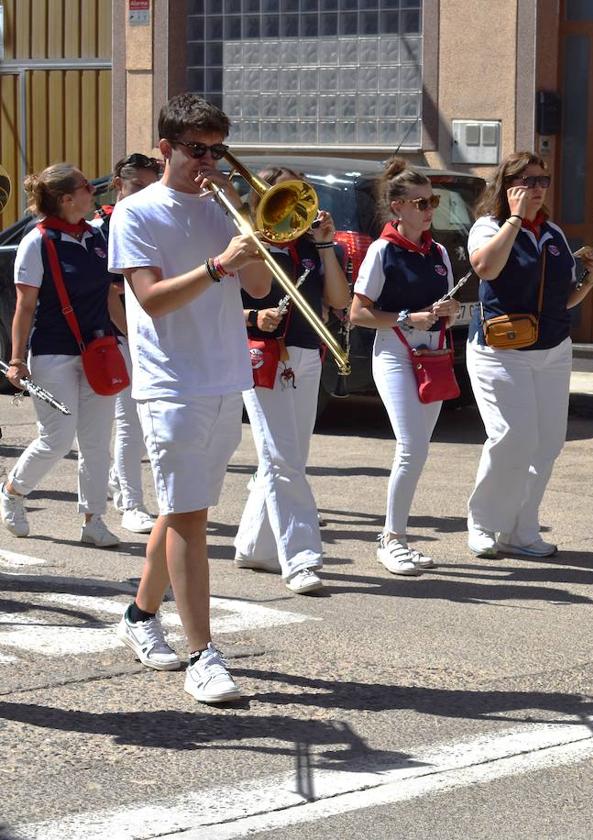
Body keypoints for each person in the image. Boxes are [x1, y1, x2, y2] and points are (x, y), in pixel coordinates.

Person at [108, 93, 271, 703]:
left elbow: (257, 286)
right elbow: (150, 300)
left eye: (216, 150)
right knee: (191, 519)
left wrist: (254, 230)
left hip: (226, 374)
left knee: (186, 509)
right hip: (170, 380)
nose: (207, 161)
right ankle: (204, 653)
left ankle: (139, 616)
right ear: (166, 149)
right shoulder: (136, 212)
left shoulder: (222, 209)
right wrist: (219, 264)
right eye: (196, 150)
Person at [463, 152, 593, 559]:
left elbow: (565, 299)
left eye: (544, 181)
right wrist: (515, 219)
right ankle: (484, 523)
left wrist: (590, 277)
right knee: (511, 437)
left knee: (547, 443)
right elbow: (485, 268)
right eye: (530, 181)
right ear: (509, 186)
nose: (539, 189)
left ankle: (521, 529)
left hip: (552, 350)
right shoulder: (488, 227)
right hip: (501, 350)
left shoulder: (554, 234)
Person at [233, 165, 350, 594]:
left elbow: (339, 301)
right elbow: (217, 306)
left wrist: (325, 247)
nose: (286, 208)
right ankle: (301, 558)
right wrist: (252, 316)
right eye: (274, 197)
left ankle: (252, 545)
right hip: (261, 357)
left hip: (306, 355)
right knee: (283, 458)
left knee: (287, 459)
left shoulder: (309, 245)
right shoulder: (248, 244)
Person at [1, 163, 124, 546]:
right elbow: (25, 306)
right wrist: (17, 359)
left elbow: (111, 295)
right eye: (88, 186)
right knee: (56, 438)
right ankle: (13, 493)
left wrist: (128, 339)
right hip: (54, 352)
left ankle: (93, 520)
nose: (94, 191)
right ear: (67, 198)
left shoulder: (97, 237)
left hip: (100, 351)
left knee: (96, 440)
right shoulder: (37, 242)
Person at [348, 159, 456, 575]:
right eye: (421, 202)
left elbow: (443, 307)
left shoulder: (440, 251)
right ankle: (391, 540)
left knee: (419, 450)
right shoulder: (382, 250)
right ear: (397, 207)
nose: (430, 209)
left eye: (434, 201)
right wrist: (409, 317)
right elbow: (358, 313)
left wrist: (447, 311)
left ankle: (399, 537)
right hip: (394, 355)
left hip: (432, 358)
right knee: (411, 447)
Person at [97, 153, 163, 535]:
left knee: (137, 425)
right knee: (129, 426)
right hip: (118, 337)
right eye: (138, 186)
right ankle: (132, 505)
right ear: (119, 185)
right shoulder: (106, 226)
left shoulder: (149, 221)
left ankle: (122, 487)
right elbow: (110, 296)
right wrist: (132, 336)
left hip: (143, 334)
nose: (145, 195)